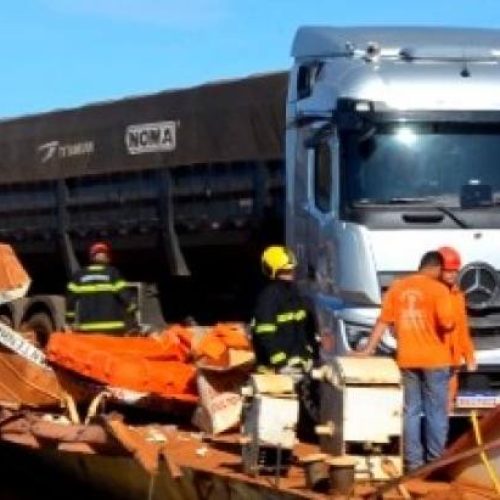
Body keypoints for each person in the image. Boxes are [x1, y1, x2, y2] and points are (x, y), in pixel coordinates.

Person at [355, 251, 455, 472]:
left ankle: (414, 463)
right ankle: (436, 463)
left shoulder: (398, 287)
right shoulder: (439, 290)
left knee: (410, 411)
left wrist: (368, 349)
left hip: (407, 359)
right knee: (436, 411)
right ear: (436, 268)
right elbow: (447, 323)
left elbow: (383, 321)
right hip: (436, 360)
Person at [250, 245, 319, 373]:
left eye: (291, 269)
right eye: (288, 270)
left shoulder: (294, 293)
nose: (292, 272)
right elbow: (265, 333)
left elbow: (304, 330)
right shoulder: (270, 296)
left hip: (296, 366)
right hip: (274, 371)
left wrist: (309, 355)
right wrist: (281, 364)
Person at [66, 242, 137, 335]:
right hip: (113, 328)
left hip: (88, 328)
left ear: (91, 257)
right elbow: (125, 296)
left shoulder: (79, 275)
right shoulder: (113, 273)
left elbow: (71, 300)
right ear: (107, 258)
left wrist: (69, 321)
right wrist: (133, 317)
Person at [437, 246, 476, 411]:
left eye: (455, 271)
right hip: (434, 358)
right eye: (448, 271)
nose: (452, 274)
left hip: (452, 359)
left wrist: (469, 356)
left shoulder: (458, 296)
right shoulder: (431, 293)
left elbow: (462, 328)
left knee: (448, 406)